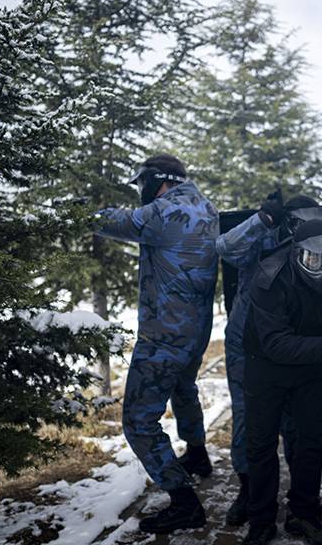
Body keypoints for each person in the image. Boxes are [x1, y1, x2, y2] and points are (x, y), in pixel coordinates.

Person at [93, 154, 219, 534]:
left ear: (155, 180)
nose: (140, 192)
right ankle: (197, 455)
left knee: (138, 421)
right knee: (184, 389)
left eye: (141, 184)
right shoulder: (205, 206)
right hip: (196, 331)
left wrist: (82, 213)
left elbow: (119, 222)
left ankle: (184, 502)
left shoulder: (165, 212)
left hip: (164, 334)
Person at [215, 193, 322, 526]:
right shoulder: (263, 233)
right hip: (247, 342)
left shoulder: (315, 236)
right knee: (248, 420)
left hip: (292, 338)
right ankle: (249, 492)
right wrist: (262, 220)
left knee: (297, 423)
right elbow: (224, 248)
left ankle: (302, 497)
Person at [241, 219, 322, 545]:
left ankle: (303, 513)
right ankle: (260, 520)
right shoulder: (269, 277)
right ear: (297, 254)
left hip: (312, 365)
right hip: (266, 367)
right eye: (316, 260)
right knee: (261, 444)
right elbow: (274, 342)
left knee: (311, 441)